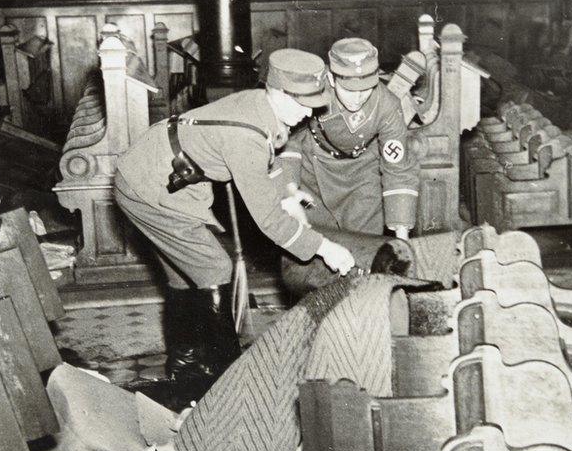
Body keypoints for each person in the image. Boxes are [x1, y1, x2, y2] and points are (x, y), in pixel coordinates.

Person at [114, 48, 356, 383]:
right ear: (276, 91)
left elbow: (268, 158)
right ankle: (226, 374)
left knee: (185, 273)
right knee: (213, 267)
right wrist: (325, 248)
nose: (309, 112)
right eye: (303, 102)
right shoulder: (245, 136)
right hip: (149, 185)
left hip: (166, 172)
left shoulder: (263, 107)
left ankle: (186, 364)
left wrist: (288, 192)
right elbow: (268, 220)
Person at [278, 37, 421, 240]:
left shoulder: (387, 105)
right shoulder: (314, 90)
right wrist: (290, 190)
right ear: (331, 80)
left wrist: (402, 239)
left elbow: (398, 170)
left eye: (366, 88)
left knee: (363, 244)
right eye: (350, 89)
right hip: (313, 173)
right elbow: (289, 140)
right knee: (312, 242)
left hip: (361, 173)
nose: (359, 97)